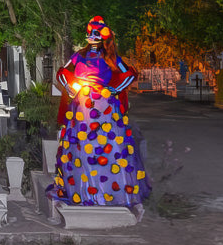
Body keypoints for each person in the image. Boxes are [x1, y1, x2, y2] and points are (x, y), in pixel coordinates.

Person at [51, 15, 151, 207]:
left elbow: (130, 73)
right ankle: (84, 189)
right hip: (82, 106)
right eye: (89, 33)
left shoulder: (111, 57)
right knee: (81, 148)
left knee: (107, 148)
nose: (91, 37)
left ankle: (106, 192)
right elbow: (62, 72)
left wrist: (117, 88)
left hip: (105, 107)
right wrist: (70, 88)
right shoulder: (78, 55)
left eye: (96, 33)